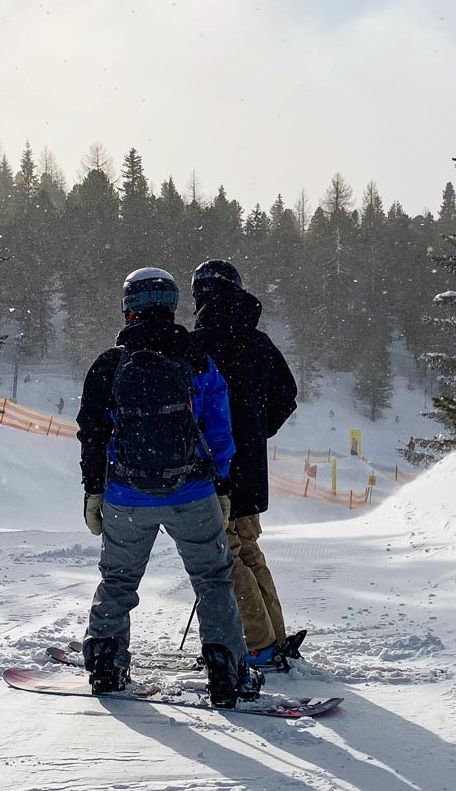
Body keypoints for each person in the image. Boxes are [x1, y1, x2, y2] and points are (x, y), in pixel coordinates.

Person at [76, 267, 260, 707]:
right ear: (172, 305)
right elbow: (220, 428)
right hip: (192, 491)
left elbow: (92, 431)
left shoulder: (110, 362)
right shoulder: (197, 358)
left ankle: (106, 661)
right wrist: (220, 482)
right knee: (213, 580)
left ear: (128, 309)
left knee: (118, 580)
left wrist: (94, 490)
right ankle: (225, 668)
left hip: (125, 494)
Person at [189, 259, 300, 669]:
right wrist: (256, 430)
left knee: (226, 554)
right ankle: (275, 635)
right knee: (248, 549)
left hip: (213, 468)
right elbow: (287, 396)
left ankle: (258, 643)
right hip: (250, 468)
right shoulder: (259, 342)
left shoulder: (196, 344)